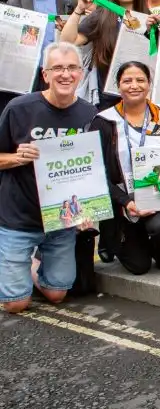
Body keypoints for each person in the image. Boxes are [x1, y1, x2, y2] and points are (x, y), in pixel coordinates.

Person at [0, 42, 98, 313]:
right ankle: (10, 261)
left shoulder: (90, 114)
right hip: (18, 218)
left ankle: (27, 264)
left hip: (61, 221)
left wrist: (88, 211)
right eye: (58, 68)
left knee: (56, 293)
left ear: (80, 74)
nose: (65, 74)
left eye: (72, 68)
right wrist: (16, 158)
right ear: (45, 74)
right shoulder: (19, 108)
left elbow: (91, 171)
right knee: (16, 304)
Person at [91, 61, 160, 274]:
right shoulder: (104, 122)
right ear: (118, 86)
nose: (134, 85)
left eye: (140, 80)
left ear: (149, 84)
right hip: (124, 204)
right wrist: (125, 201)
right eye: (127, 81)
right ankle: (119, 238)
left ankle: (159, 250)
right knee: (139, 266)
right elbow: (96, 172)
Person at [60, 0, 148, 107]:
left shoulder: (147, 17)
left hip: (140, 92)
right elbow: (68, 41)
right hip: (108, 94)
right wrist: (79, 9)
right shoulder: (102, 15)